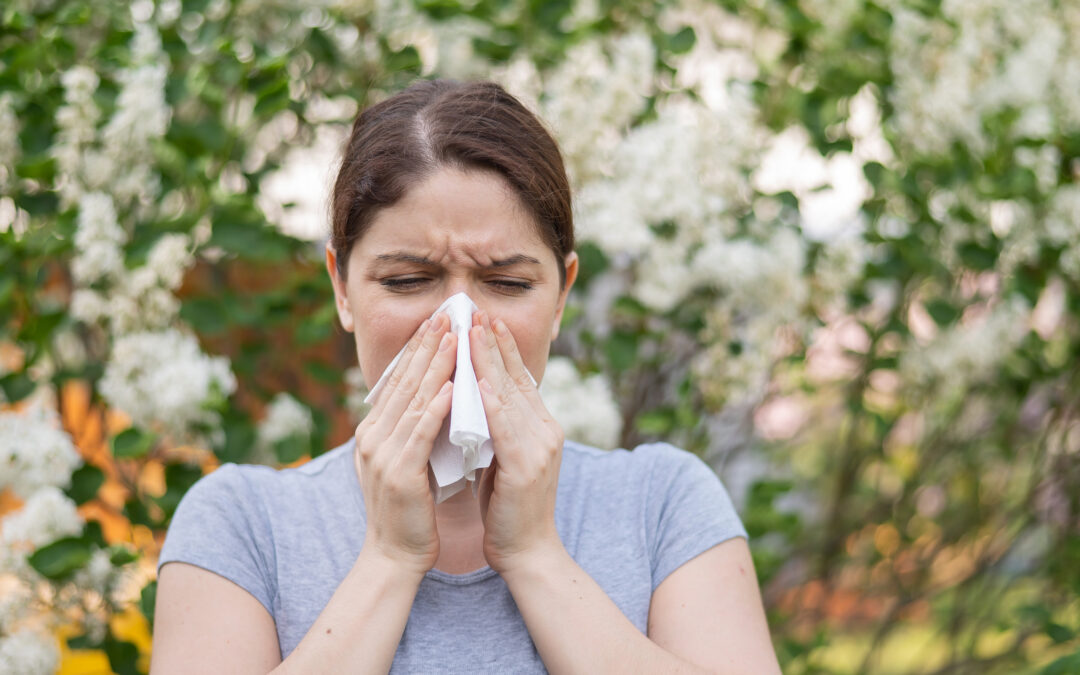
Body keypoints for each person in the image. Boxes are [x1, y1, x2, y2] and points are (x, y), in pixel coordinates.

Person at [150, 79, 780, 674]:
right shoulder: (240, 523)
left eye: (506, 283)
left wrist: (535, 552)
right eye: (406, 281)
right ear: (342, 288)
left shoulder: (663, 504)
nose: (457, 324)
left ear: (560, 298)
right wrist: (389, 560)